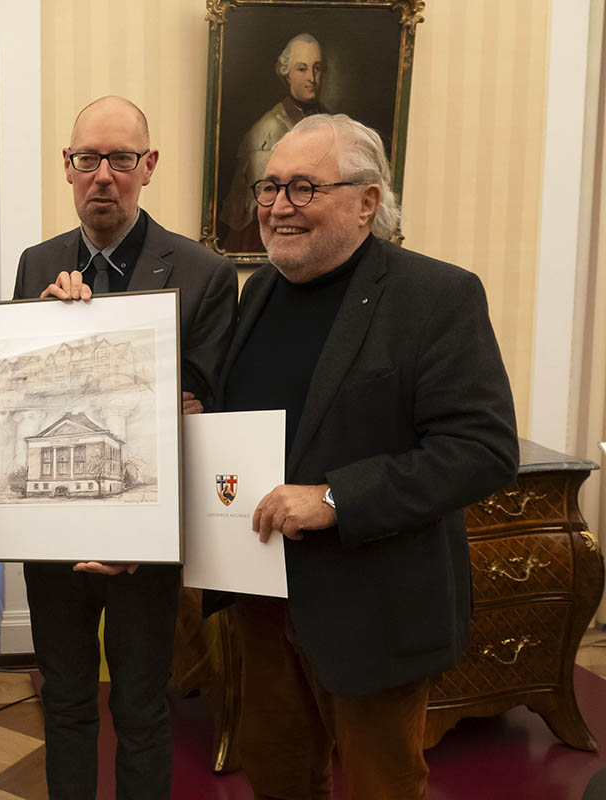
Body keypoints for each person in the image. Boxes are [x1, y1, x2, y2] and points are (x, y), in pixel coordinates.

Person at [219, 113, 519, 798]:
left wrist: (334, 499)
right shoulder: (259, 290)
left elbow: (482, 448)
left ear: (367, 201)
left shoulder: (436, 296)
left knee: (383, 786)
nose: (277, 208)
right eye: (269, 188)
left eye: (303, 188)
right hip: (264, 599)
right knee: (278, 777)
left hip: (375, 607)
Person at [13, 95, 237, 800]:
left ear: (148, 166)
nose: (102, 175)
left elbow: (200, 405)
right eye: (87, 159)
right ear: (67, 168)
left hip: (145, 541)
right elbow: (20, 394)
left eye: (120, 159)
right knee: (67, 704)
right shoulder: (35, 264)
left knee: (142, 709)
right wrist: (47, 340)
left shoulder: (204, 273)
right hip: (51, 538)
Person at [219, 33, 327, 252]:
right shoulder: (268, 129)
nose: (312, 78)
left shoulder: (327, 122)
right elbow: (261, 209)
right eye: (302, 69)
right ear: (286, 74)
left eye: (317, 68)